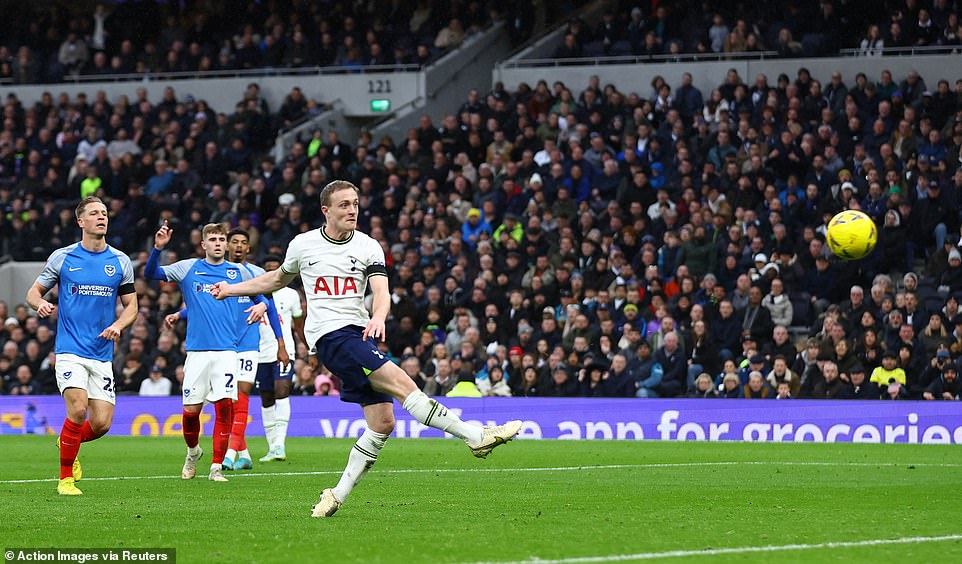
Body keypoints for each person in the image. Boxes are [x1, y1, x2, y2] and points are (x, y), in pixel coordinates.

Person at [212, 180, 522, 517]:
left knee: (383, 422)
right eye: (344, 204)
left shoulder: (368, 246)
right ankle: (475, 436)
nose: (352, 210)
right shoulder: (303, 245)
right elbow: (274, 280)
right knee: (405, 386)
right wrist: (230, 289)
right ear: (325, 210)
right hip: (332, 337)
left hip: (359, 334)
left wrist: (378, 316)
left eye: (356, 204)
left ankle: (336, 494)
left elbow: (382, 291)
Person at [26, 196, 138, 495]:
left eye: (104, 213)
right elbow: (33, 293)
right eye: (94, 213)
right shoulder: (63, 258)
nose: (101, 217)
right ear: (81, 221)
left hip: (101, 354)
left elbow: (132, 306)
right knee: (77, 410)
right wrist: (41, 304)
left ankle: (67, 440)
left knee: (101, 424)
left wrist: (118, 325)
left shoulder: (120, 261)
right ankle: (65, 479)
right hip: (70, 350)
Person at [145, 221, 269, 483]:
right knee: (190, 413)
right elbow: (151, 273)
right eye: (212, 239)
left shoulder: (238, 273)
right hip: (197, 353)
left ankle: (216, 467)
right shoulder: (189, 268)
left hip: (226, 352)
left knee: (225, 409)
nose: (218, 244)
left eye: (222, 240)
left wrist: (262, 307)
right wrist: (158, 249)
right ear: (203, 244)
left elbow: (262, 295)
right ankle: (193, 453)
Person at [257, 254, 304, 462]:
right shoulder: (254, 291)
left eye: (275, 269)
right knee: (266, 397)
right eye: (268, 268)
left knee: (282, 390)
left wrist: (309, 348)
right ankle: (271, 446)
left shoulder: (291, 295)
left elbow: (299, 325)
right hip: (259, 353)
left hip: (284, 351)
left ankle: (279, 445)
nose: (272, 272)